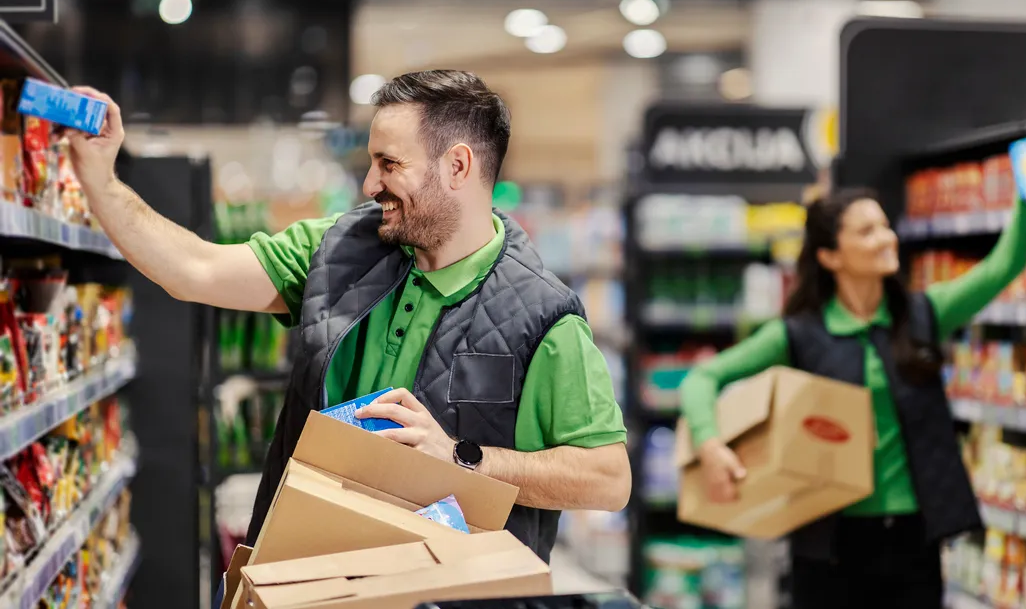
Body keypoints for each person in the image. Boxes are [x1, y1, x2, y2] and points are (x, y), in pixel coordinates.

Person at [62, 71, 631, 570]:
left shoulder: (542, 316)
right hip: (318, 578)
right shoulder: (341, 251)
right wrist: (100, 179)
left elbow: (608, 479)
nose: (369, 184)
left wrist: (462, 457)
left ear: (457, 165)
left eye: (389, 164)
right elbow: (194, 270)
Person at [679, 187, 1026, 607]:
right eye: (867, 231)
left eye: (885, 226)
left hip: (912, 539)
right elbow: (702, 377)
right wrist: (710, 444)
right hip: (828, 541)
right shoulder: (798, 334)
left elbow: (1003, 265)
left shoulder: (922, 315)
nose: (887, 238)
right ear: (830, 256)